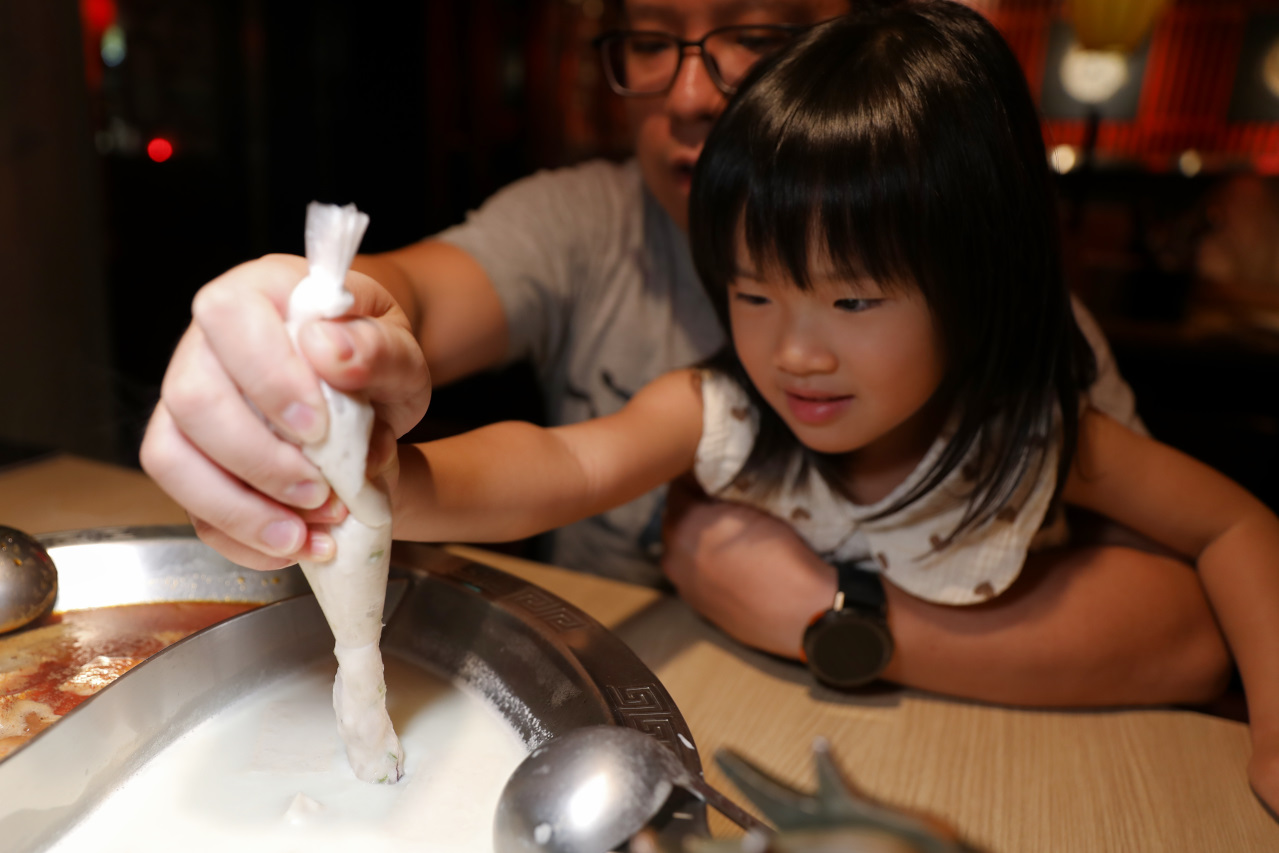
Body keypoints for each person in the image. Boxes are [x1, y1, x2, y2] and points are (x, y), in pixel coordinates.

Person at [140, 0, 1228, 708]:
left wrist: (820, 612)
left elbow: (1205, 585)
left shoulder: (1021, 396)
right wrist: (357, 435)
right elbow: (559, 461)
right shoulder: (653, 313)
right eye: (650, 42)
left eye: (756, 36)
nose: (696, 93)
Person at [360, 2, 1279, 809]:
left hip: (1021, 770)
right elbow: (566, 463)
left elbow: (1235, 525)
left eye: (852, 301)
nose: (794, 353)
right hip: (762, 746)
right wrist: (382, 484)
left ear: (972, 287)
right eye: (753, 294)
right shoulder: (722, 407)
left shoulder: (1036, 436)